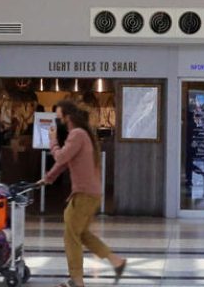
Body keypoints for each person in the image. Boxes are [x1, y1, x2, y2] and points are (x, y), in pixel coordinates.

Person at [37, 100, 127, 287]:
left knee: (71, 235)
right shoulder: (81, 135)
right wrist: (49, 177)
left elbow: (61, 156)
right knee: (81, 233)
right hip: (90, 193)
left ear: (68, 117)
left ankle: (77, 280)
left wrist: (52, 140)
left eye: (59, 118)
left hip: (84, 195)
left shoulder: (77, 134)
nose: (58, 122)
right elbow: (64, 162)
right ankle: (116, 261)